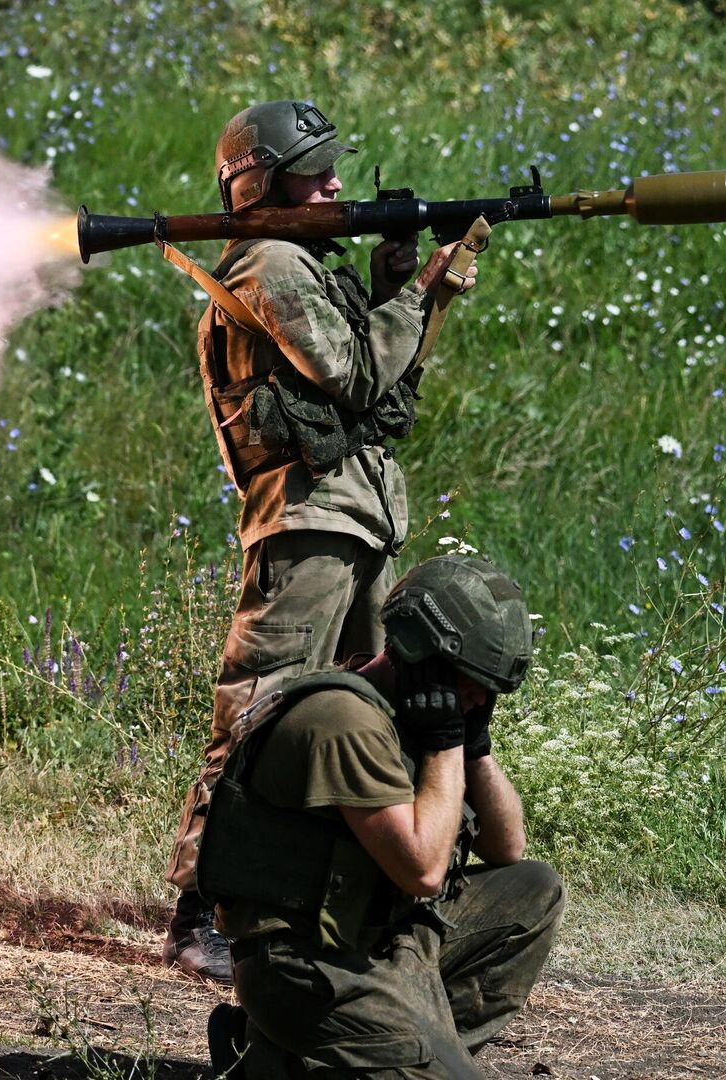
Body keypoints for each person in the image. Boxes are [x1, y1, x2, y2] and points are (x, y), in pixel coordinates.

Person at [163, 99, 481, 983]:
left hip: (353, 514)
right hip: (306, 521)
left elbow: (370, 389)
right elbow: (345, 369)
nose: (336, 181)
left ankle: (329, 899)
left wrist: (394, 283)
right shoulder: (269, 263)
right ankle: (201, 909)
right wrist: (421, 293)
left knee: (359, 720)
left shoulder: (307, 264)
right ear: (262, 183)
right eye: (314, 170)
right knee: (262, 703)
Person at [197, 555, 564, 1077]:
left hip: (382, 933)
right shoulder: (344, 722)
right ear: (421, 654)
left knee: (533, 889)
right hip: (310, 965)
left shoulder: (410, 708)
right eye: (470, 682)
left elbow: (507, 849)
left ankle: (318, 1058)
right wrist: (444, 743)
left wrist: (474, 742)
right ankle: (288, 1057)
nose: (480, 697)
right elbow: (422, 871)